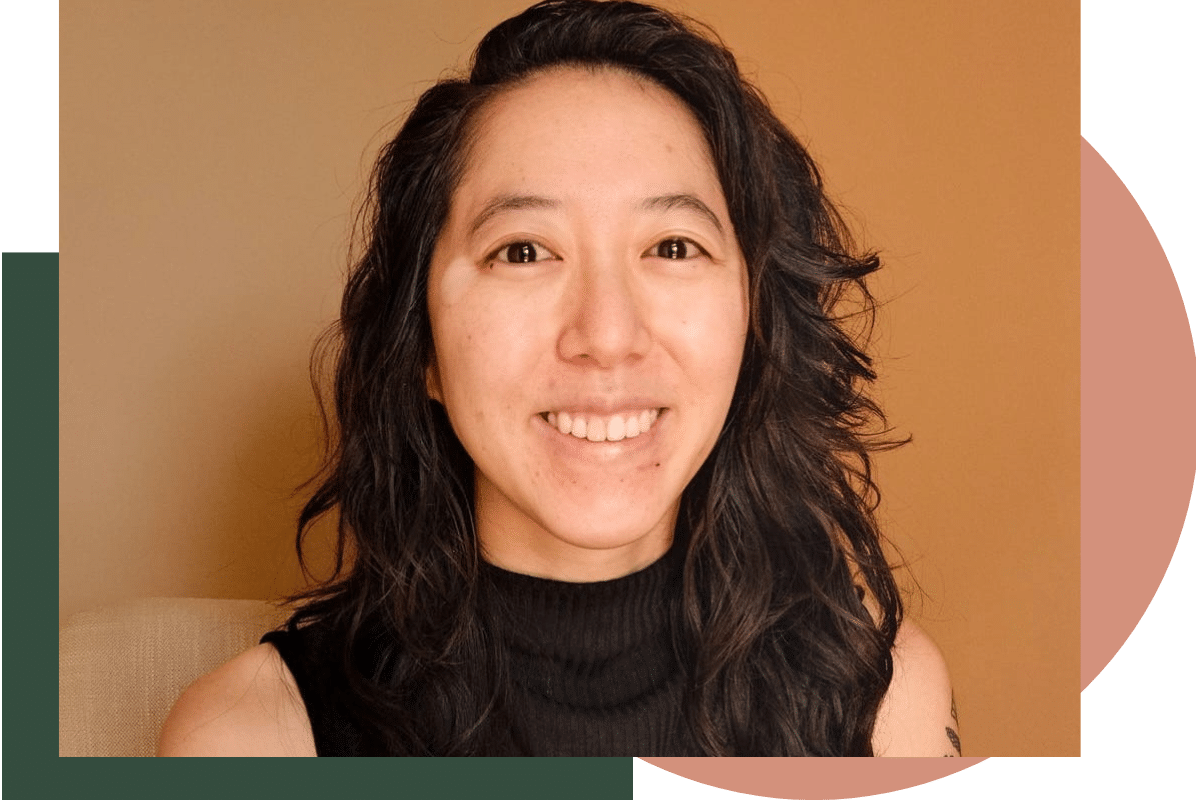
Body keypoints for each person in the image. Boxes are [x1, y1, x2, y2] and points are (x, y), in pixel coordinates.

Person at [158, 0, 957, 757]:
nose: (606, 337)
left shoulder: (882, 696)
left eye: (673, 247)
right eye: (523, 252)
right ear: (421, 344)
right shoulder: (253, 739)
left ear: (753, 324)